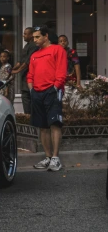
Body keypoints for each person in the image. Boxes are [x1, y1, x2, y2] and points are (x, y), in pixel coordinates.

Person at [27, 25, 68, 172]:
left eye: (37, 37)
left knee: (54, 124)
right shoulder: (34, 55)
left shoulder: (58, 49)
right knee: (42, 127)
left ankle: (56, 158)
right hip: (37, 92)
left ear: (46, 36)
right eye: (34, 37)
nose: (35, 39)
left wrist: (56, 87)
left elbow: (61, 71)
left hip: (52, 90)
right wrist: (31, 89)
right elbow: (30, 74)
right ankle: (48, 157)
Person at [11, 27, 38, 114]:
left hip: (31, 77)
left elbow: (27, 62)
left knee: (30, 99)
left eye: (25, 34)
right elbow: (21, 61)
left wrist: (17, 71)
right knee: (25, 98)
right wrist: (12, 69)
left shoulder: (34, 45)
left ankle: (32, 121)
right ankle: (28, 118)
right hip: (24, 78)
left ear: (31, 35)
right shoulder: (26, 46)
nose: (23, 36)